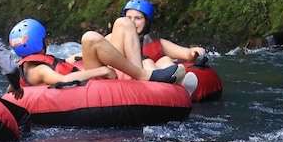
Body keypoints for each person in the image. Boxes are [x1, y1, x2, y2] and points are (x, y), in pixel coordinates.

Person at [9, 18, 180, 88]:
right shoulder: (38, 70)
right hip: (92, 82)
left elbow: (13, 86)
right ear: (39, 42)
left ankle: (138, 73)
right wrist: (101, 70)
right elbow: (62, 79)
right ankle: (142, 74)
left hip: (88, 74)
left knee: (123, 23)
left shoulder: (29, 67)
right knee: (89, 38)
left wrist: (78, 56)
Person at [121, 0, 205, 93]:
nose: (132, 22)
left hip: (153, 74)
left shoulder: (154, 41)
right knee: (147, 62)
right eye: (129, 18)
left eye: (138, 18)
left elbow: (185, 53)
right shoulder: (118, 39)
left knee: (165, 60)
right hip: (135, 75)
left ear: (147, 22)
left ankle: (181, 86)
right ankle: (167, 88)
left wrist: (192, 52)